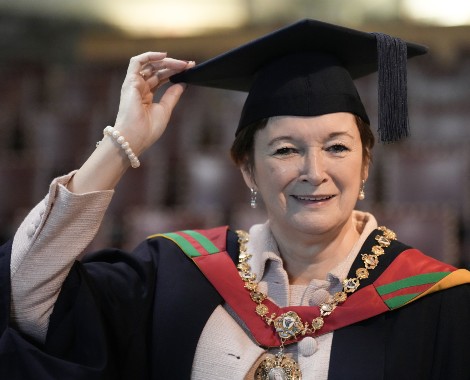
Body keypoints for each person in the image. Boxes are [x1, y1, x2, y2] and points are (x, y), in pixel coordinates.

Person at [1, 18, 470, 380]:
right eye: (285, 150)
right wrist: (121, 144)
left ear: (366, 164)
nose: (314, 171)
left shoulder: (435, 304)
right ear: (248, 168)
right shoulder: (177, 277)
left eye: (337, 147)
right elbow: (28, 290)